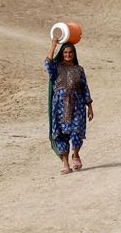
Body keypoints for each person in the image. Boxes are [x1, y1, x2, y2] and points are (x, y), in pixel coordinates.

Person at [44, 37, 94, 175]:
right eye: (65, 53)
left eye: (70, 53)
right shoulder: (57, 67)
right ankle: (65, 163)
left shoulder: (79, 69)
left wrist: (89, 106)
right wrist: (53, 45)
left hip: (77, 105)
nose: (67, 55)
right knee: (61, 134)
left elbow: (85, 88)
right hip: (59, 106)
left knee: (77, 130)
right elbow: (48, 63)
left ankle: (76, 154)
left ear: (74, 54)